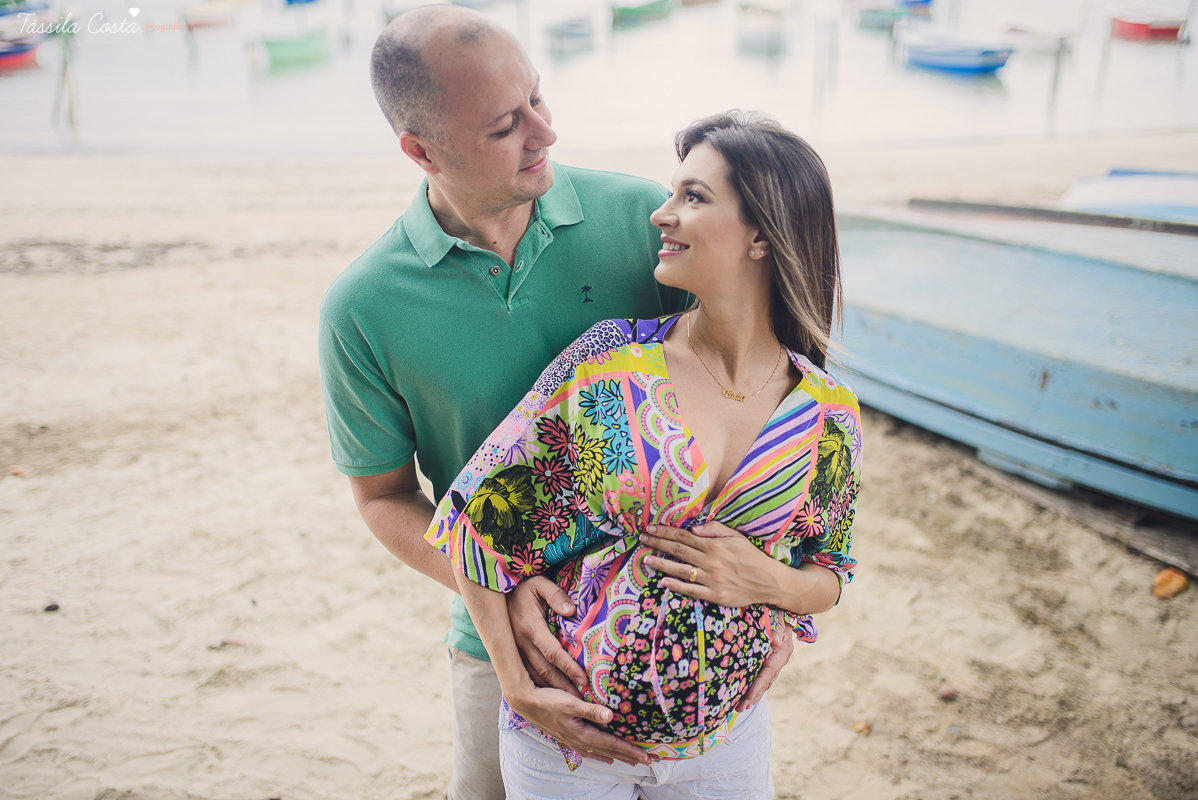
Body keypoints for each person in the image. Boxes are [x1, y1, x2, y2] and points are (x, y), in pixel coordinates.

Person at [317, 7, 795, 799]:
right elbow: (383, 496)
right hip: (500, 645)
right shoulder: (362, 308)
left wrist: (775, 595)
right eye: (507, 125)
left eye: (539, 98)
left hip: (685, 631)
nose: (545, 132)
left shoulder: (646, 225)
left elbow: (756, 399)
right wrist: (501, 595)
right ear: (420, 150)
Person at [425, 111, 863, 798]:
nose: (662, 214)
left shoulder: (827, 413)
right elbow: (476, 527)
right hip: (567, 745)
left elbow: (830, 570)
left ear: (760, 235)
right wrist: (515, 683)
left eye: (694, 196)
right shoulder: (611, 368)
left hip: (726, 742)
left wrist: (770, 586)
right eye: (670, 193)